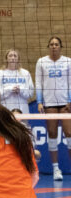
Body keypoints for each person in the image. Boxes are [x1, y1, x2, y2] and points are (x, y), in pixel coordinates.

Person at [35, 36, 70, 182]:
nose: (54, 46)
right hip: (49, 103)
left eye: (56, 44)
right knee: (52, 132)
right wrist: (39, 101)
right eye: (51, 44)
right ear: (48, 46)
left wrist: (70, 100)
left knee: (69, 132)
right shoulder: (41, 61)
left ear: (60, 47)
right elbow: (38, 82)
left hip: (65, 102)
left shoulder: (68, 61)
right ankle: (56, 168)